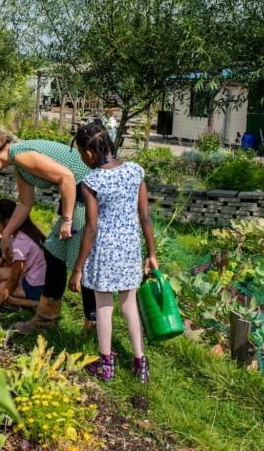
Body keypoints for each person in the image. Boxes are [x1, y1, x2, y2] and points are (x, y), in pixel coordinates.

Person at [0, 126, 96, 333]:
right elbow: (25, 202)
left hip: (87, 196)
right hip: (78, 197)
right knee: (53, 251)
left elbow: (66, 177)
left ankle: (92, 322)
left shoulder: (20, 155)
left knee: (82, 262)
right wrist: (5, 237)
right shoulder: (18, 160)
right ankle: (47, 317)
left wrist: (67, 219)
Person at [68, 122, 158, 384]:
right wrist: (150, 253)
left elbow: (92, 229)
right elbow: (145, 216)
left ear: (88, 153)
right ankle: (141, 363)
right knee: (130, 306)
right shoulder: (134, 171)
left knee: (104, 307)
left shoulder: (91, 181)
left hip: (105, 252)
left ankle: (106, 365)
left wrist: (77, 268)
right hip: (130, 248)